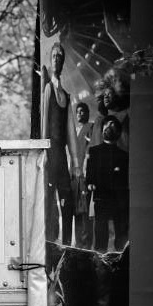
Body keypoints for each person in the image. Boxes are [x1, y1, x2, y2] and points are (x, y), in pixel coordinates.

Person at [42, 43, 73, 244]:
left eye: (60, 56)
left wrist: (76, 163)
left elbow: (70, 131)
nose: (56, 59)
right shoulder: (47, 89)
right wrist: (44, 152)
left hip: (61, 154)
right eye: (54, 56)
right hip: (50, 152)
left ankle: (67, 243)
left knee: (67, 198)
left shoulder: (66, 95)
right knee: (48, 199)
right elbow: (45, 121)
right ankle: (48, 242)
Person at [85, 115, 129, 252]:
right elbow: (89, 175)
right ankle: (100, 258)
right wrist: (90, 184)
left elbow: (124, 180)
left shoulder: (124, 155)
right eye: (106, 124)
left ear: (118, 132)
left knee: (121, 235)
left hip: (119, 200)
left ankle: (121, 257)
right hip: (101, 197)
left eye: (112, 125)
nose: (108, 127)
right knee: (100, 234)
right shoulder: (94, 151)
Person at [68, 101, 95, 247]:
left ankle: (86, 244)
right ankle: (78, 244)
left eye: (82, 111)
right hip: (74, 174)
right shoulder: (75, 130)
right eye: (77, 112)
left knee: (84, 210)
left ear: (88, 113)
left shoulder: (91, 127)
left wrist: (85, 171)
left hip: (84, 174)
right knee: (76, 210)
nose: (79, 114)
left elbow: (91, 150)